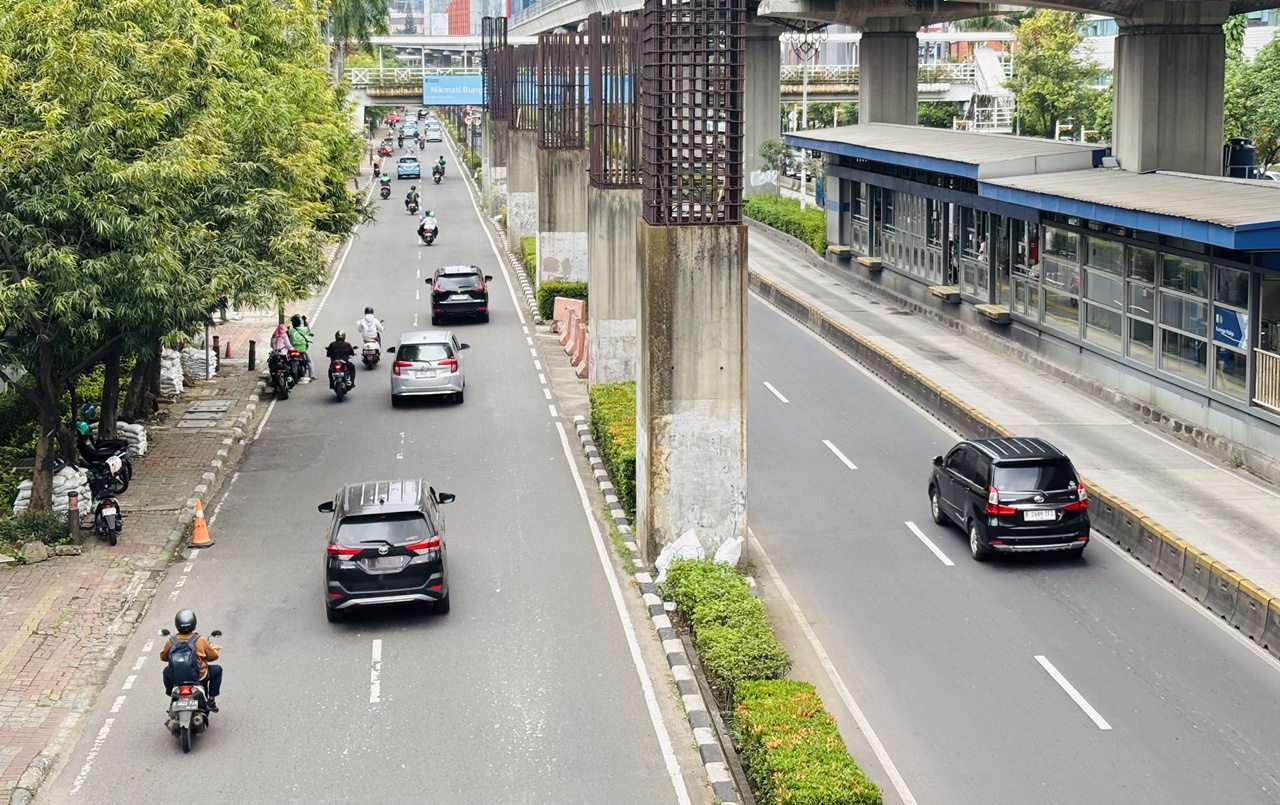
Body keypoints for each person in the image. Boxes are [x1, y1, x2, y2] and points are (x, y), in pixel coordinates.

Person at [160, 609, 222, 712]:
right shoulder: (200, 640)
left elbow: (163, 657)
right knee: (217, 670)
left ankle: (172, 696)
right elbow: (213, 657)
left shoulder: (171, 641)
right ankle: (211, 700)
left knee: (166, 671)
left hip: (177, 678)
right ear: (194, 623)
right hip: (199, 677)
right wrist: (215, 648)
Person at [287, 314, 315, 383]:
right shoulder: (303, 329)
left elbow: (287, 337)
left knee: (286, 360)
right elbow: (308, 329)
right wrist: (305, 320)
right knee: (309, 361)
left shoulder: (290, 330)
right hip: (302, 349)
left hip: (292, 349)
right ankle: (312, 375)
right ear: (300, 322)